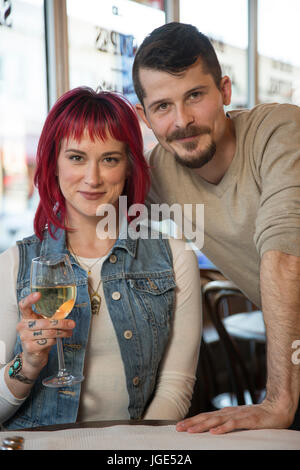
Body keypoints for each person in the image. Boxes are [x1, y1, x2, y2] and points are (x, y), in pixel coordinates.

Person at [132, 22, 300, 434]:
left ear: (224, 91)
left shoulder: (280, 130)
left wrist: (277, 401)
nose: (182, 121)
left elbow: (284, 257)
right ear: (145, 116)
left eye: (195, 96)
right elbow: (97, 214)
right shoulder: (159, 174)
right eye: (162, 106)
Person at [0, 87, 202, 430]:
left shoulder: (176, 256)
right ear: (54, 165)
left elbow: (175, 388)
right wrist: (28, 363)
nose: (92, 178)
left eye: (109, 159)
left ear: (128, 168)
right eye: (76, 158)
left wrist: (133, 451)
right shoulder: (15, 264)